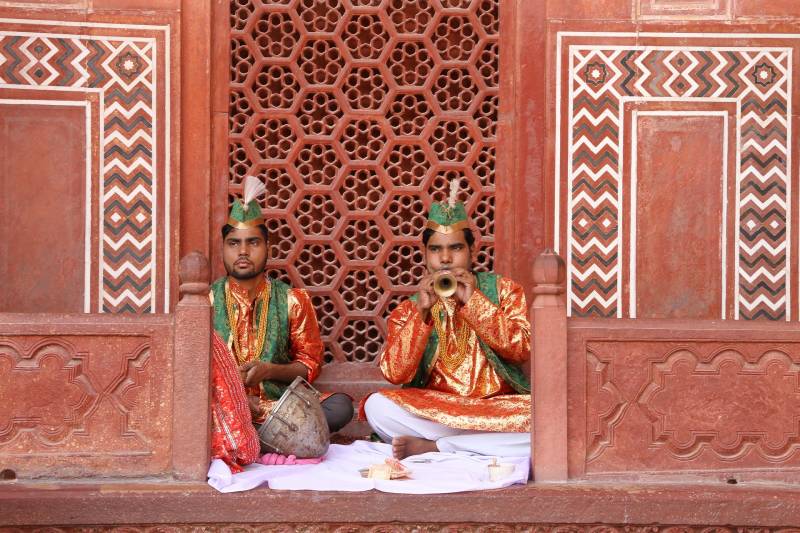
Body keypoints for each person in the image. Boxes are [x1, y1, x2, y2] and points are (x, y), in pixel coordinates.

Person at [364, 180, 531, 459]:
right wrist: (423, 316)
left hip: (496, 408)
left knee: (544, 421)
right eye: (435, 250)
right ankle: (473, 446)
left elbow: (521, 349)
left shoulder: (503, 290)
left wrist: (475, 302)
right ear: (425, 255)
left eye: (455, 248)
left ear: (472, 251)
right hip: (437, 409)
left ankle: (439, 447)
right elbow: (395, 374)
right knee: (377, 407)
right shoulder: (411, 308)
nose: (445, 259)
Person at [210, 176, 353, 466]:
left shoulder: (292, 300)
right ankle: (262, 441)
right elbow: (189, 368)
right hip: (225, 408)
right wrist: (234, 396)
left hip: (281, 409)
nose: (243, 252)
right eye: (233, 243)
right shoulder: (206, 302)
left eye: (253, 242)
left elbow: (310, 365)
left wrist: (269, 371)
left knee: (340, 406)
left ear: (267, 248)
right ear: (223, 248)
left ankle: (251, 442)